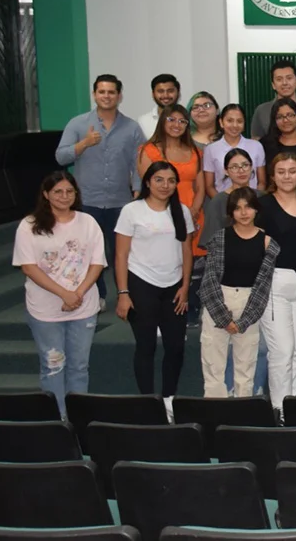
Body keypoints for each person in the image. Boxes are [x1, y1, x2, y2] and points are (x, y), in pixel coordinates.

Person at [13, 171, 105, 416]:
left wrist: (77, 293)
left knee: (79, 367)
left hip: (83, 306)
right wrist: (64, 294)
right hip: (45, 310)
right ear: (46, 194)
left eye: (69, 191)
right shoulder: (29, 225)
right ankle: (57, 420)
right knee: (53, 366)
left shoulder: (88, 222)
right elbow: (28, 267)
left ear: (76, 194)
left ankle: (78, 419)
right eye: (58, 192)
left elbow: (97, 263)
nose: (64, 196)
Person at [56, 74, 146, 307]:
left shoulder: (132, 127)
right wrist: (84, 143)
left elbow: (138, 161)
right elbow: (60, 156)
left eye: (111, 92)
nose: (107, 96)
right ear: (95, 94)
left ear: (119, 95)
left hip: (120, 202)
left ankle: (124, 294)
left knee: (122, 253)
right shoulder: (77, 124)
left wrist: (137, 190)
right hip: (87, 201)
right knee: (88, 252)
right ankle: (98, 295)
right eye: (102, 92)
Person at [114, 162, 195, 410]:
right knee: (146, 345)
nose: (165, 185)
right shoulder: (132, 211)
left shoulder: (182, 211)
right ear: (148, 182)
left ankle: (169, 399)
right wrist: (123, 293)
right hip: (141, 284)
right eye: (159, 179)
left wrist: (185, 286)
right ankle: (148, 402)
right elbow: (121, 255)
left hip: (174, 288)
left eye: (171, 180)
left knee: (176, 347)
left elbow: (187, 251)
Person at [198, 187, 278, 398]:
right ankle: (214, 417)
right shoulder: (219, 238)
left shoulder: (268, 243)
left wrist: (243, 322)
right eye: (238, 208)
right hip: (218, 301)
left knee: (245, 370)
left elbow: (263, 288)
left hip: (249, 306)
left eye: (248, 207)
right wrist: (224, 318)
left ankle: (242, 420)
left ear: (256, 210)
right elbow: (209, 281)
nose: (244, 213)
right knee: (213, 368)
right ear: (231, 212)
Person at [257, 153, 296, 411]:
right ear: (272, 176)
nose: (287, 177)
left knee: (294, 352)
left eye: (292, 171)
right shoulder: (263, 205)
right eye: (281, 172)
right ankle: (278, 410)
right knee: (281, 352)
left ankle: (289, 407)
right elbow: (251, 241)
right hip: (275, 285)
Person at [137, 105, 205, 254]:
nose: (177, 125)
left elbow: (201, 188)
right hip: (160, 215)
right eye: (171, 119)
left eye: (182, 121)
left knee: (192, 264)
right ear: (162, 121)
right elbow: (148, 188)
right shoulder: (148, 150)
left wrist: (192, 212)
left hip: (192, 214)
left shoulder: (195, 152)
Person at [203, 104, 266, 197]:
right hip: (224, 204)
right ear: (221, 122)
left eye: (239, 121)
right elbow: (209, 186)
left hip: (252, 202)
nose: (235, 125)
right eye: (230, 121)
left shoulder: (256, 146)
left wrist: (254, 201)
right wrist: (223, 203)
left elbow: (262, 182)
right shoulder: (211, 149)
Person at [252, 60, 296, 140]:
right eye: (279, 79)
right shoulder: (262, 110)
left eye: (289, 78)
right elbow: (256, 142)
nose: (284, 83)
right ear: (273, 85)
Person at [260, 97, 296, 175]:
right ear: (274, 121)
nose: (285, 120)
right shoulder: (265, 144)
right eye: (280, 117)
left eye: (290, 115)